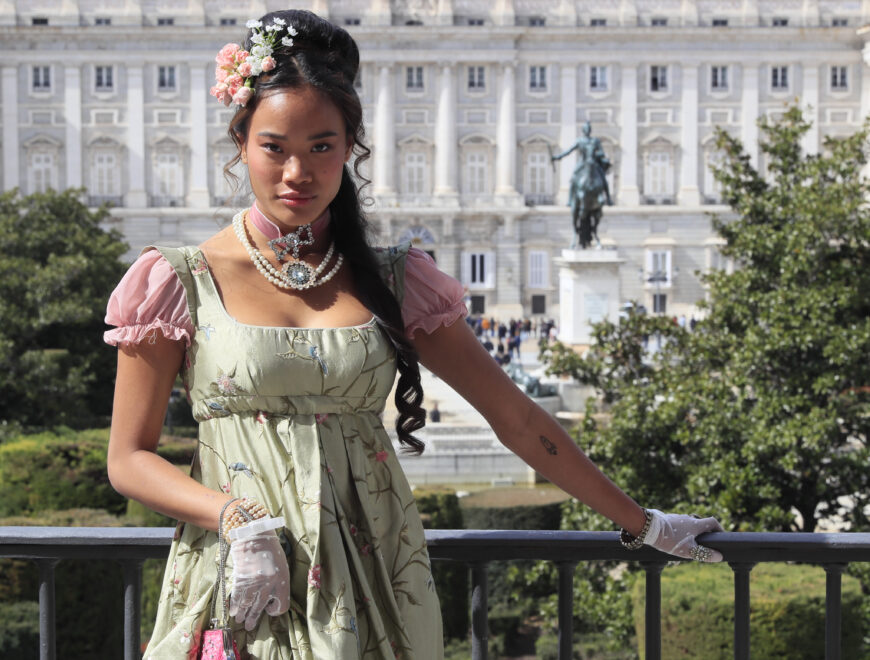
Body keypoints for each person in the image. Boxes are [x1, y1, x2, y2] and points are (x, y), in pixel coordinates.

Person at [104, 10, 721, 660]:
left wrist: (643, 522)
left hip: (378, 578)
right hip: (248, 575)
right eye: (274, 146)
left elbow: (514, 418)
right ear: (241, 144)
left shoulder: (397, 282)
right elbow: (129, 458)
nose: (297, 172)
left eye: (321, 146)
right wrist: (232, 518)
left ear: (350, 149)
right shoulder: (177, 280)